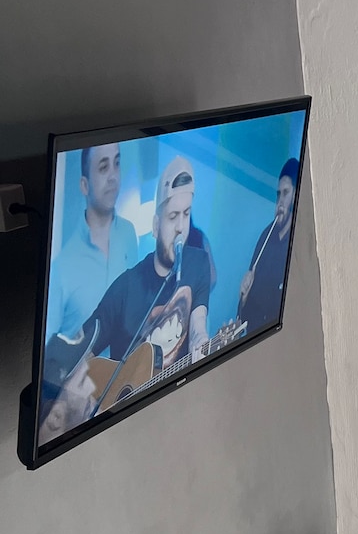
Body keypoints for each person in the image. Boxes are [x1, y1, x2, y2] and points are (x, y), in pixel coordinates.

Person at [86, 156, 211, 375]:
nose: (181, 227)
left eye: (187, 214)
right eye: (173, 217)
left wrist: (201, 341)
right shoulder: (125, 288)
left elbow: (198, 324)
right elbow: (81, 353)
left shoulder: (198, 264)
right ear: (155, 226)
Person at [45, 143, 139, 339]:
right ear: (84, 185)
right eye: (103, 167)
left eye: (117, 163)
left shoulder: (129, 233)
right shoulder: (61, 268)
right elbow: (48, 357)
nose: (113, 176)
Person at [239, 158, 299, 333]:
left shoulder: (296, 241)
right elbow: (245, 316)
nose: (280, 201)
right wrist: (244, 297)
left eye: (286, 193)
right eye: (278, 194)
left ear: (296, 196)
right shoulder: (265, 237)